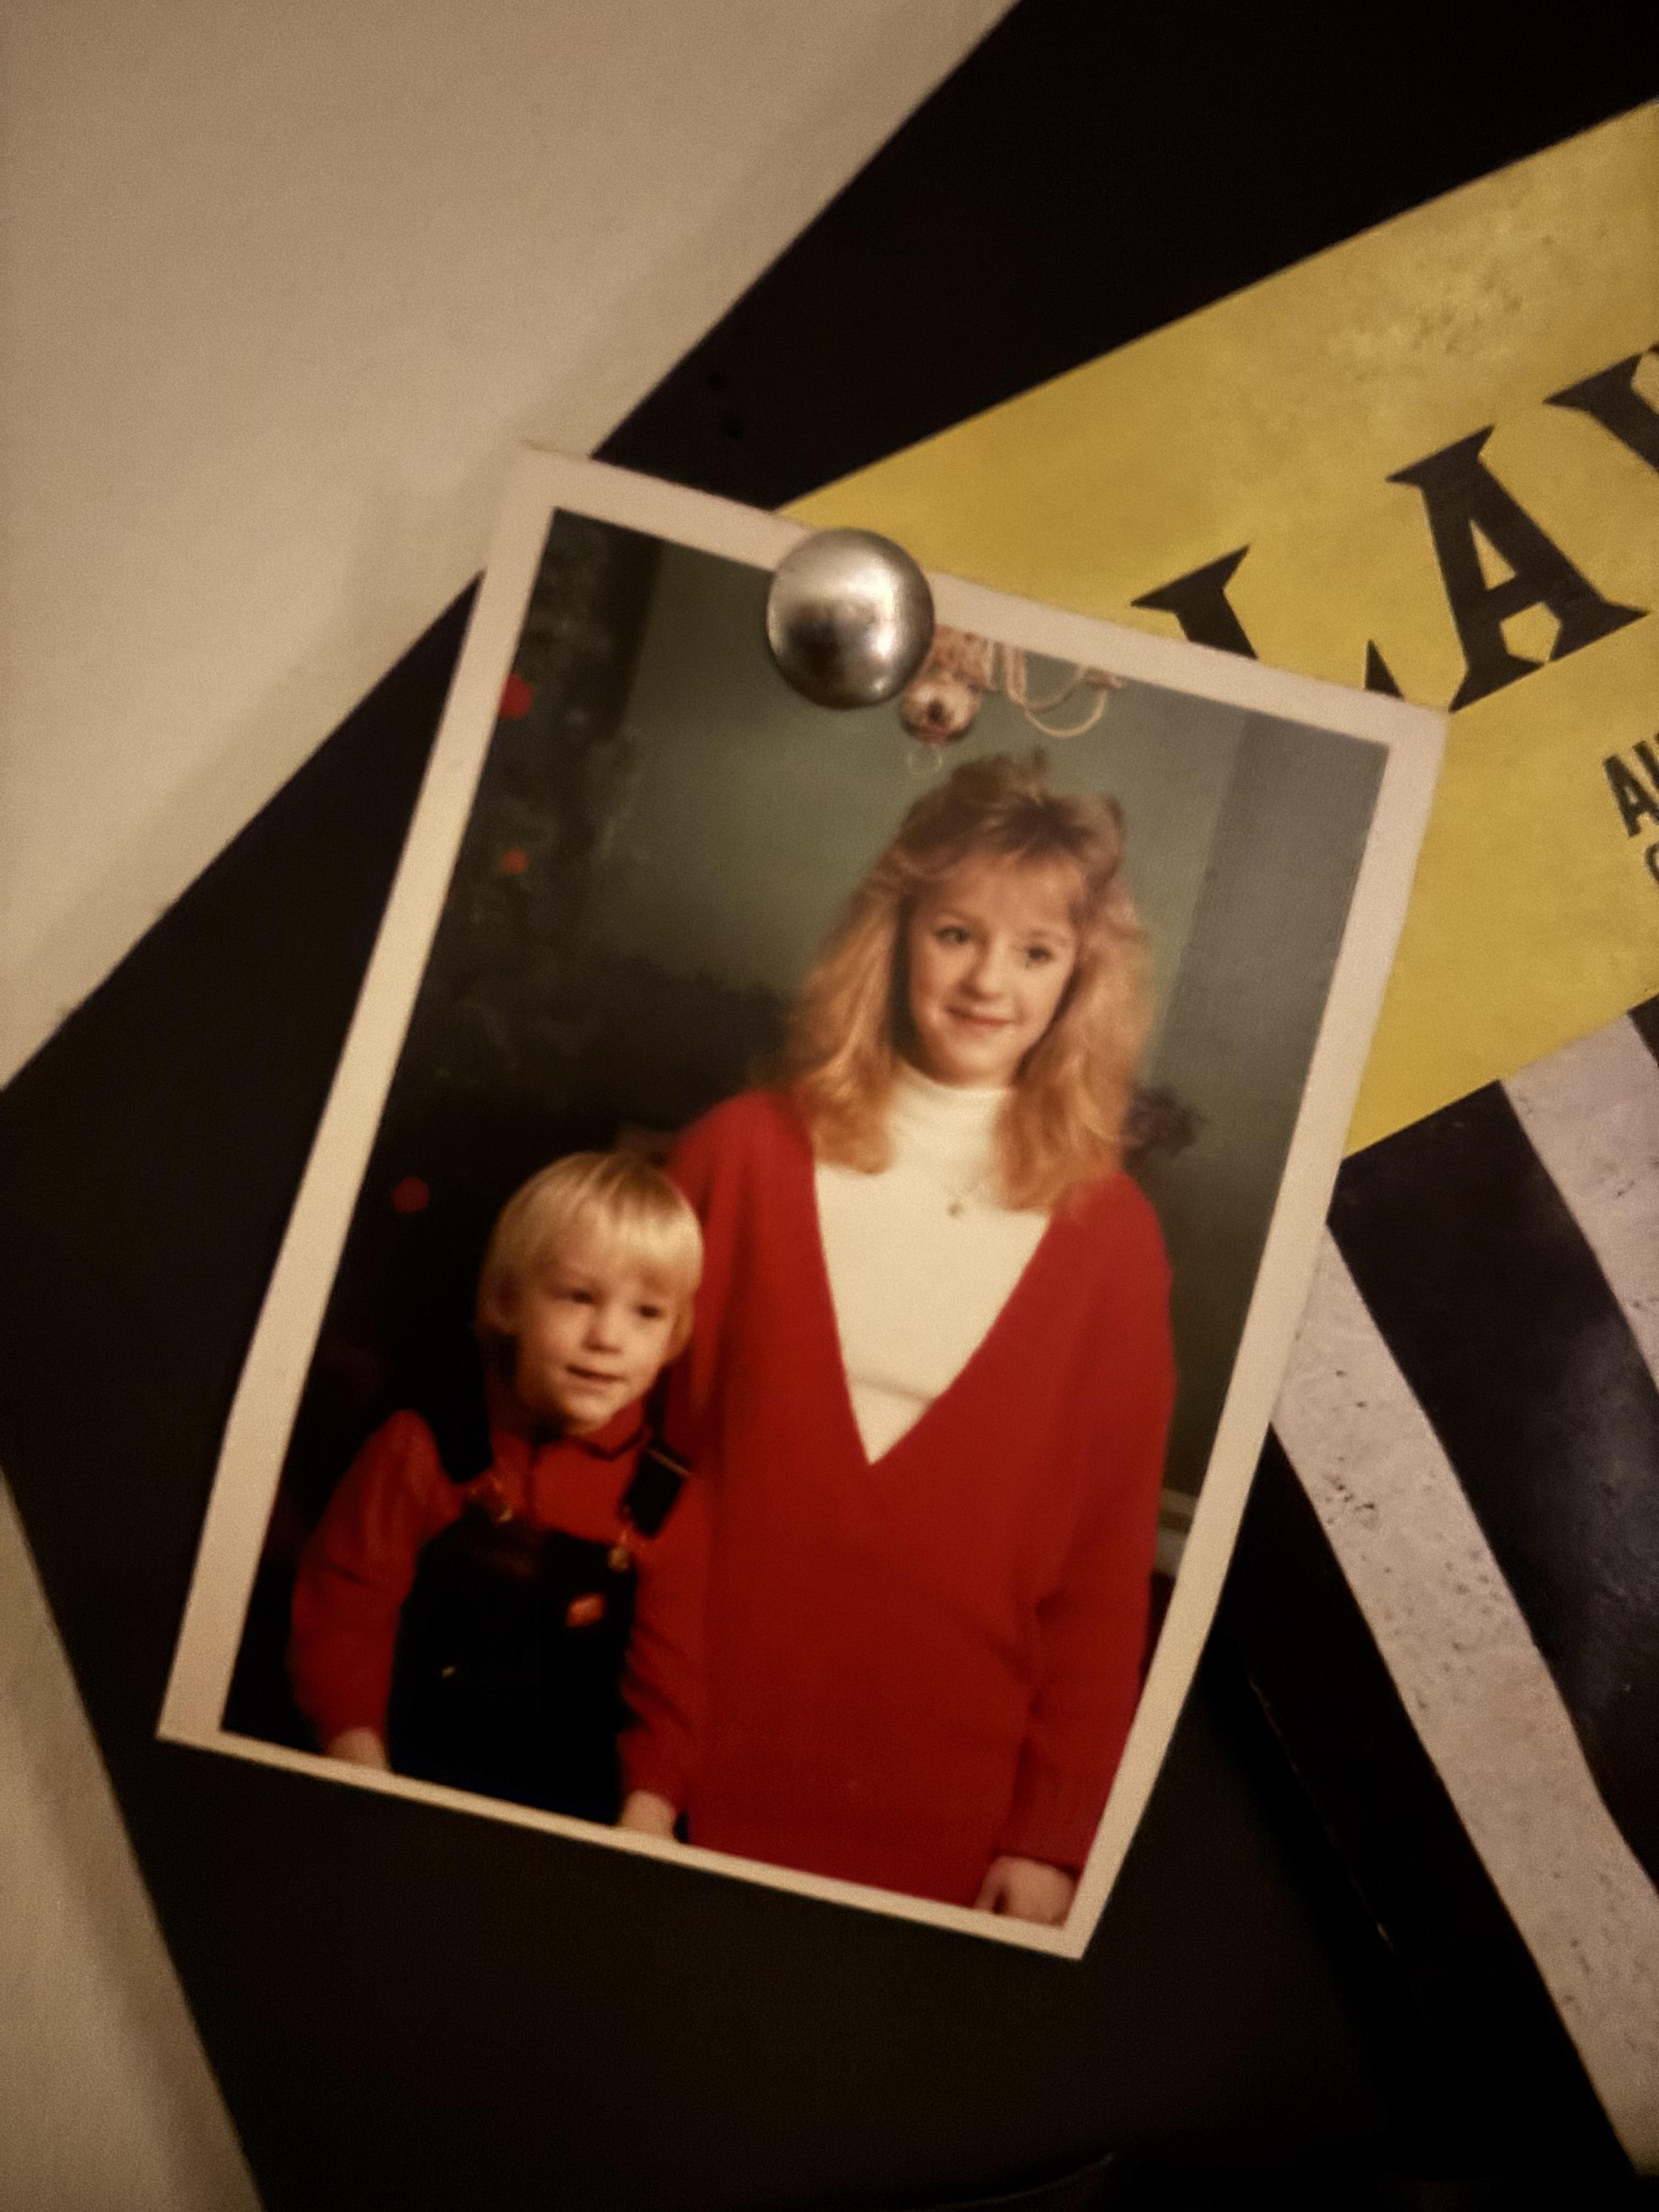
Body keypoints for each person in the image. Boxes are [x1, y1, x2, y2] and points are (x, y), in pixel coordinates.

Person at [667, 751, 1175, 1922]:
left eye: (1037, 952)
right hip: (681, 1756)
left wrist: (1052, 1837)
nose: (990, 981)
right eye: (957, 933)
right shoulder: (739, 1155)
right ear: (894, 935)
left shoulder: (1111, 1241)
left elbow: (1104, 1576)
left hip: (947, 1812)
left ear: (1078, 983)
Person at [289, 1151, 707, 1837]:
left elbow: (671, 1703)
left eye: (646, 1312)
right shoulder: (421, 1446)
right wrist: (361, 1779)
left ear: (674, 1338)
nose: (607, 1338)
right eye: (577, 1297)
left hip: (577, 1821)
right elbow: (341, 1622)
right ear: (506, 1302)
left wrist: (645, 1824)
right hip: (397, 1782)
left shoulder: (670, 1500)